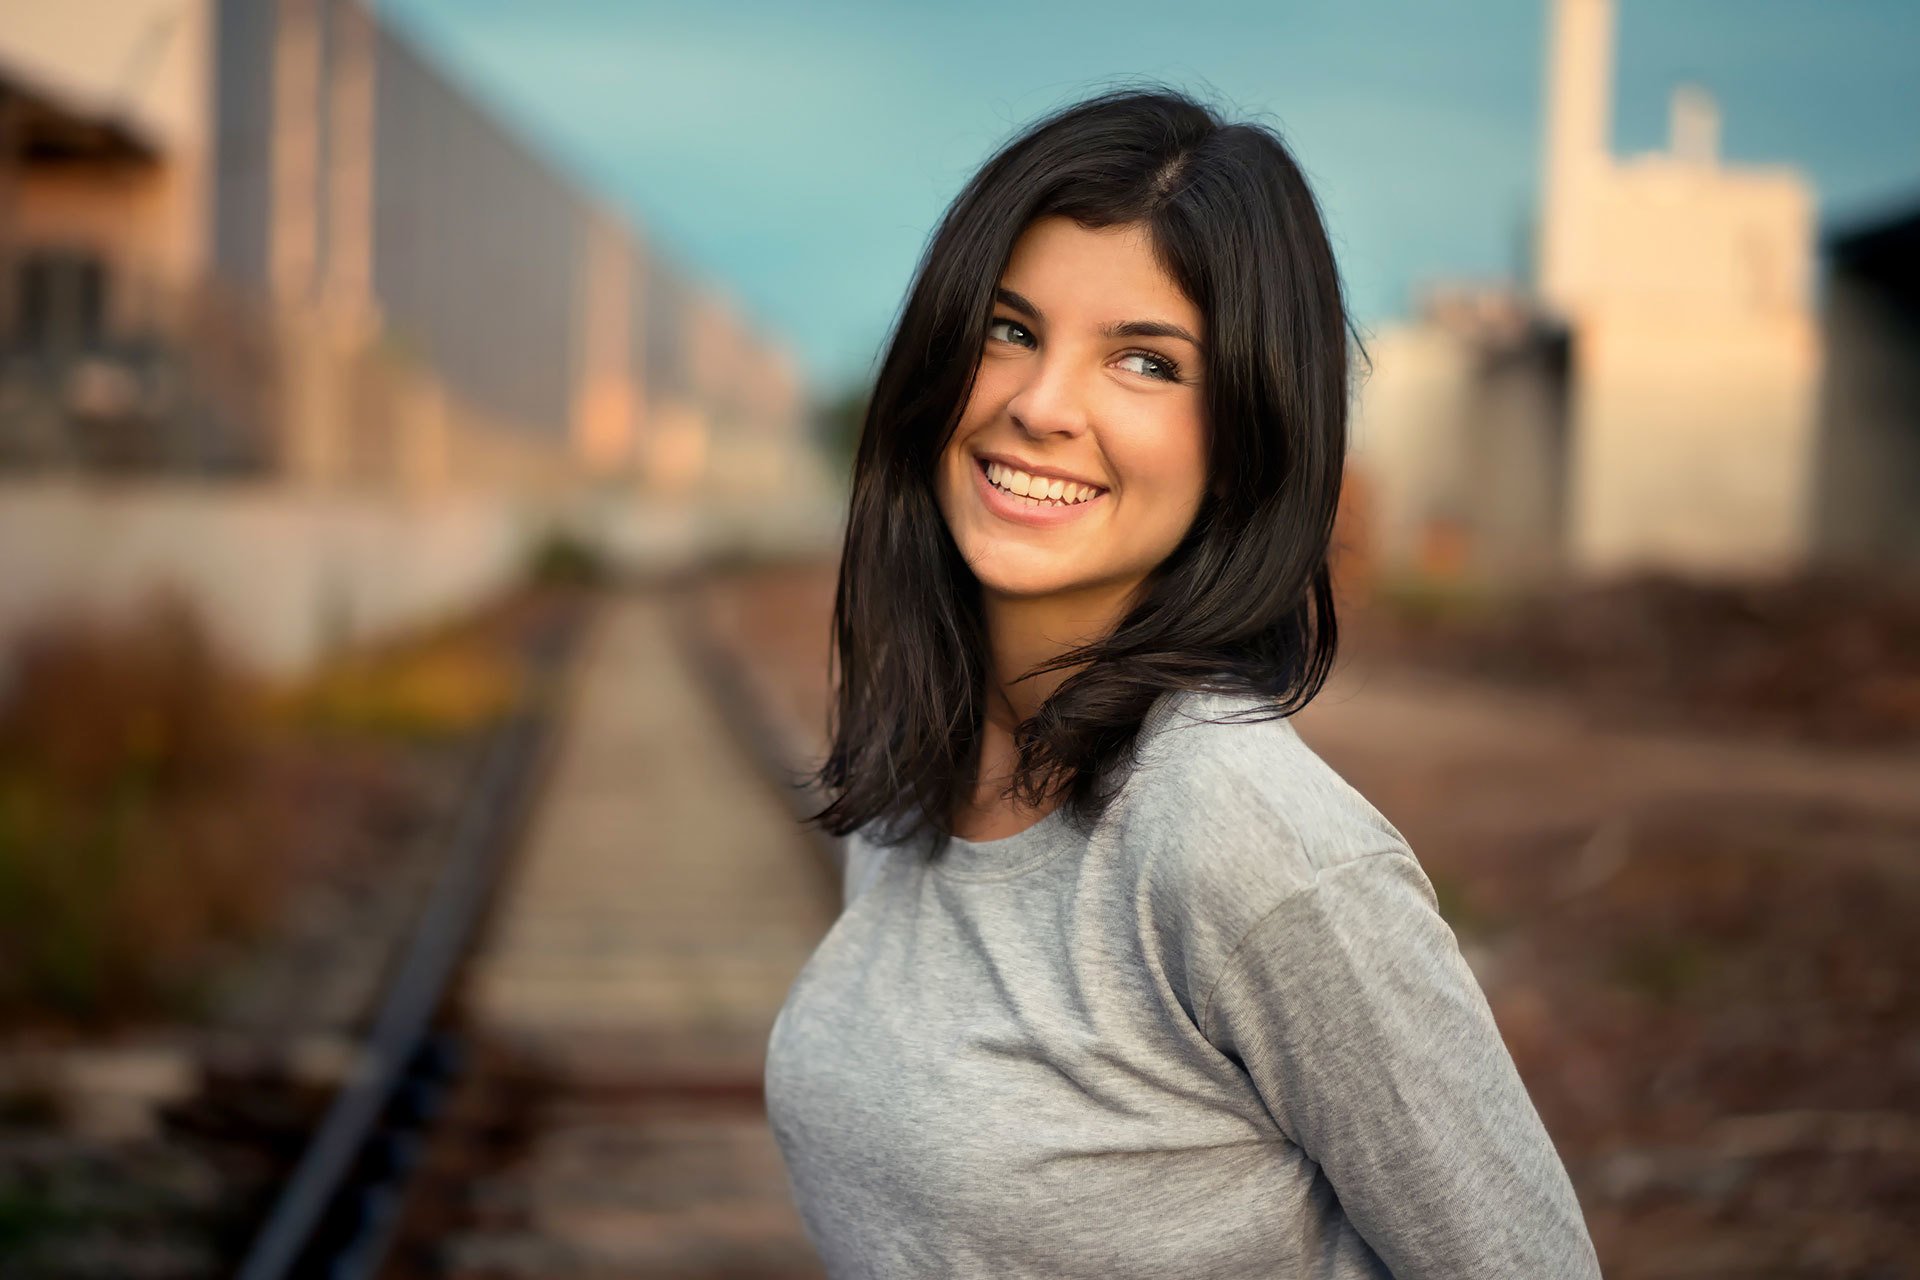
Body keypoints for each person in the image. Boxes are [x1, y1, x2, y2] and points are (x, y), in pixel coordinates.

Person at [764, 84, 1603, 1279]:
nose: (1041, 405)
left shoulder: (1245, 842)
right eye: (1009, 329)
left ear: (1245, 439)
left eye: (1146, 362)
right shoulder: (916, 787)